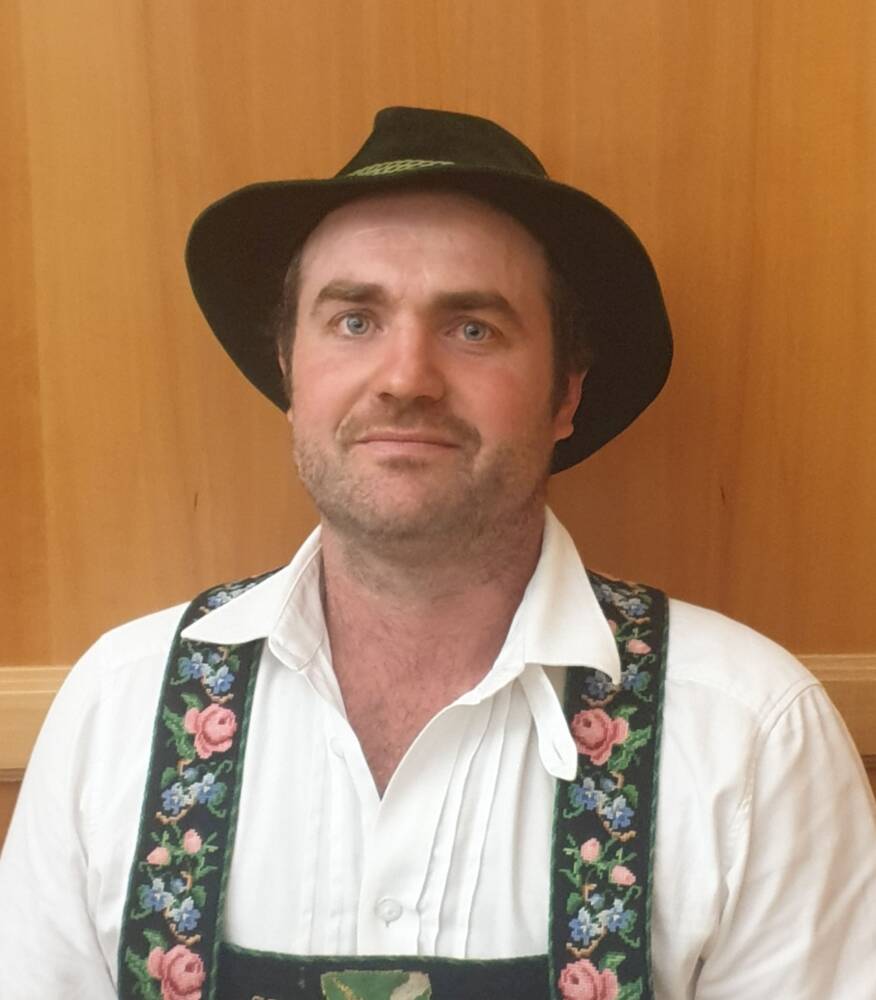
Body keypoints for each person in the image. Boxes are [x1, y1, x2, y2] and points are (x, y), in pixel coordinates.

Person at [1, 107, 874, 1000]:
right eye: (354, 321)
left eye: (472, 329)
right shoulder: (120, 709)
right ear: (290, 373)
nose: (406, 378)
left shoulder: (750, 739)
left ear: (565, 395)